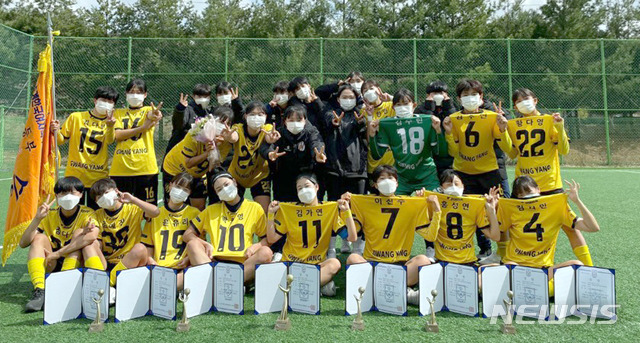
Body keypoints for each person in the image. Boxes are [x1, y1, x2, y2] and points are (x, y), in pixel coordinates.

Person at [497, 88, 594, 267]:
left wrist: (559, 126)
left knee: (570, 228)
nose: (522, 102)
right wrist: (503, 131)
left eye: (525, 98)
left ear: (535, 100)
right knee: (512, 226)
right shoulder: (513, 124)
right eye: (518, 101)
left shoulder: (551, 120)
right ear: (516, 107)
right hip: (524, 188)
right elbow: (511, 153)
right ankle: (506, 262)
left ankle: (589, 268)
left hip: (549, 184)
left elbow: (564, 149)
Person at [344, 165, 442, 305]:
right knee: (353, 258)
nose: (387, 181)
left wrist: (436, 211)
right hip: (373, 263)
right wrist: (346, 210)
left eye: (390, 178)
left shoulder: (410, 204)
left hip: (400, 264)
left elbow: (430, 237)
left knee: (423, 260)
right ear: (375, 185)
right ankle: (403, 291)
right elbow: (352, 235)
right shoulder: (365, 202)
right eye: (382, 178)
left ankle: (373, 291)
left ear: (397, 183)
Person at [442, 79, 513, 260]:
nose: (470, 98)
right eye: (465, 95)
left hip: (489, 171)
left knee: (499, 211)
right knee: (471, 213)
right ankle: (484, 250)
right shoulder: (454, 119)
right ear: (458, 99)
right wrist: (449, 133)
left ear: (481, 97)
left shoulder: (491, 116)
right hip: (464, 173)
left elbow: (506, 147)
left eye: (474, 94)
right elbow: (454, 151)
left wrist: (503, 129)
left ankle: (503, 253)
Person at [497, 176, 600, 295]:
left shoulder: (555, 206)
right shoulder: (511, 209)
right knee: (510, 266)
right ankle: (544, 290)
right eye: (521, 195)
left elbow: (593, 227)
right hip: (516, 266)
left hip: (543, 270)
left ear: (538, 189)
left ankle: (534, 291)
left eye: (529, 192)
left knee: (578, 265)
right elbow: (495, 233)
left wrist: (577, 201)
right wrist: (493, 209)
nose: (526, 197)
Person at [19, 177, 102, 312]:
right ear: (56, 196)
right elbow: (23, 243)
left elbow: (92, 237)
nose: (67, 197)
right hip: (53, 263)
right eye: (63, 193)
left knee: (80, 235)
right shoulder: (49, 214)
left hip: (75, 262)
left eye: (72, 193)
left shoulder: (88, 213)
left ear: (81, 195)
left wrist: (57, 253)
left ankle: (65, 287)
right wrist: (37, 219)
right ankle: (40, 291)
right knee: (39, 238)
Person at [266, 174, 357, 296]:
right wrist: (271, 215)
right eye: (299, 188)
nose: (303, 190)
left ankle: (297, 287)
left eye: (307, 186)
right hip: (291, 263)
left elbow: (351, 237)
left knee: (334, 263)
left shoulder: (329, 208)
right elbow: (271, 239)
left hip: (315, 266)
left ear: (317, 187)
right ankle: (314, 285)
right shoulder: (289, 209)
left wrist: (347, 213)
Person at [183, 172, 273, 283]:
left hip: (243, 262)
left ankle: (218, 282)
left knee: (266, 252)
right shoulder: (210, 210)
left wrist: (256, 246)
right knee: (192, 244)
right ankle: (234, 282)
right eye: (219, 189)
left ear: (234, 182)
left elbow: (267, 240)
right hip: (215, 261)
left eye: (226, 184)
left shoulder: (255, 208)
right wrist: (205, 244)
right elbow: (187, 234)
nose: (224, 190)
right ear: (217, 194)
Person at [123, 172, 201, 290]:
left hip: (182, 268)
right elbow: (148, 244)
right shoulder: (156, 214)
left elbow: (198, 245)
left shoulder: (194, 213)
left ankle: (165, 287)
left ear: (189, 193)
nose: (180, 191)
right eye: (178, 187)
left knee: (194, 273)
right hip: (159, 267)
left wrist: (188, 259)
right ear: (170, 186)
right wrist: (151, 260)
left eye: (185, 189)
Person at [368, 88, 443, 196]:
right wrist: (372, 136)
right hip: (401, 178)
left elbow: (439, 152)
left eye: (406, 103)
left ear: (414, 105)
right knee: (397, 206)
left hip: (427, 176)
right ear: (393, 107)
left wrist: (438, 131)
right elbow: (377, 155)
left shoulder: (428, 120)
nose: (402, 107)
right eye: (398, 104)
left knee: (433, 205)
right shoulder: (388, 124)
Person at [52, 86, 117, 209]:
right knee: (73, 212)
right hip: (75, 176)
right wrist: (56, 131)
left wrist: (110, 126)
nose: (106, 104)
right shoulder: (76, 117)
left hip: (98, 177)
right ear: (95, 100)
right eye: (103, 100)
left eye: (110, 101)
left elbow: (110, 140)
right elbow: (60, 141)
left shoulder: (112, 121)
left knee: (97, 214)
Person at [417, 170, 500, 265]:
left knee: (495, 267)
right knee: (421, 261)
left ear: (463, 186)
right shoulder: (434, 202)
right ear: (441, 188)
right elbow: (429, 235)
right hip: (442, 260)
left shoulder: (474, 204)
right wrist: (421, 200)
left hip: (467, 260)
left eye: (456, 183)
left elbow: (495, 236)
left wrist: (491, 211)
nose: (453, 187)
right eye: (448, 184)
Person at [89, 178, 160, 287]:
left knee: (140, 248)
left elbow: (155, 212)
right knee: (90, 243)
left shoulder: (132, 209)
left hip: (130, 261)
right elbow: (97, 243)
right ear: (96, 202)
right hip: (106, 262)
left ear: (116, 191)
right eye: (99, 197)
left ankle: (107, 284)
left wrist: (133, 199)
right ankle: (104, 278)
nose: (104, 197)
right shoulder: (97, 214)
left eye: (106, 192)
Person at [162, 107, 233, 210]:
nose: (222, 126)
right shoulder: (195, 133)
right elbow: (189, 163)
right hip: (176, 169)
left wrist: (215, 150)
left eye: (227, 123)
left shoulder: (225, 143)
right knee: (174, 203)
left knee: (199, 207)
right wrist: (206, 153)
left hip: (198, 173)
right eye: (220, 122)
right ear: (212, 120)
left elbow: (213, 166)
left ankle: (195, 226)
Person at [110, 79, 162, 205]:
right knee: (119, 209)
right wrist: (142, 128)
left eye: (139, 92)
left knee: (147, 211)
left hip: (146, 169)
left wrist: (155, 114)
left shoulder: (148, 110)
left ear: (145, 95)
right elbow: (117, 135)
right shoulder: (118, 113)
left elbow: (152, 114)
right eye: (131, 92)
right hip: (121, 169)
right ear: (126, 94)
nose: (135, 95)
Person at [224, 101, 276, 213]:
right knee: (232, 210)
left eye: (260, 114)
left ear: (266, 116)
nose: (256, 117)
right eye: (252, 114)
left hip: (259, 176)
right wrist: (229, 137)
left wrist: (271, 139)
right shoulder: (238, 127)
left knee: (264, 212)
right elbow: (234, 137)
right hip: (237, 175)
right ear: (245, 116)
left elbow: (268, 137)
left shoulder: (267, 128)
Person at [414, 81, 457, 175]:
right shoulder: (421, 108)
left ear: (446, 94)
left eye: (441, 93)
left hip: (449, 151)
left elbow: (455, 122)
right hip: (429, 151)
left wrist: (448, 107)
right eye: (434, 93)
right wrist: (429, 108)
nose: (438, 95)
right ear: (428, 95)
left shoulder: (452, 107)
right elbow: (424, 124)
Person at [166, 83, 213, 154]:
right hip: (179, 149)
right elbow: (178, 125)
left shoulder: (208, 113)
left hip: (196, 152)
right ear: (193, 96)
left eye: (206, 96)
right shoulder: (187, 109)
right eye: (200, 96)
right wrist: (180, 109)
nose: (203, 99)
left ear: (210, 97)